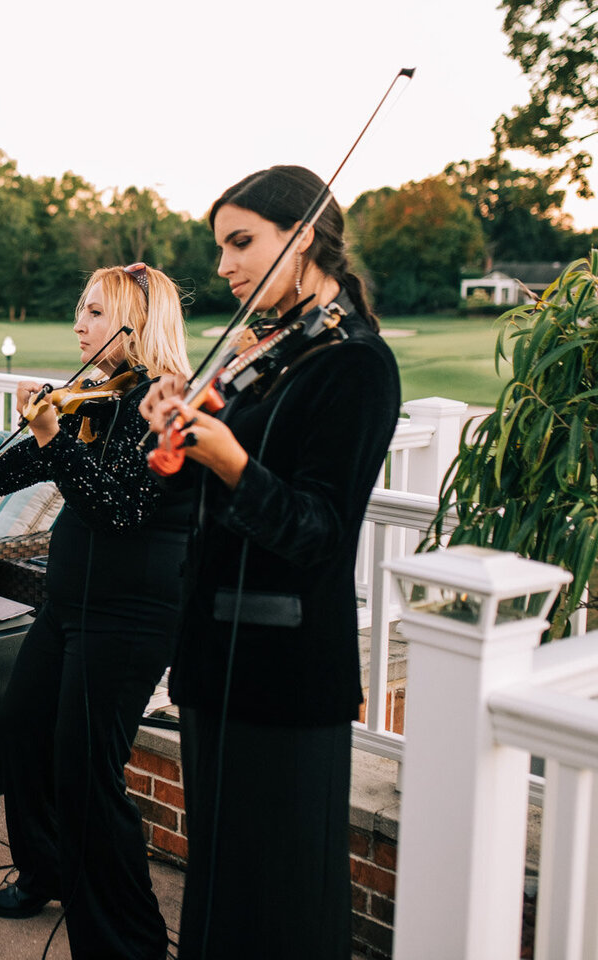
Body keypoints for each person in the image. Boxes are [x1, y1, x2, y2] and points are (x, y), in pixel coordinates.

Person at [140, 165, 401, 959]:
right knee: (223, 883)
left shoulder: (355, 365)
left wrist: (232, 463)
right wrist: (178, 432)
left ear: (307, 235)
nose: (224, 266)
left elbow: (320, 531)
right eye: (220, 246)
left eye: (242, 242)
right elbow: (210, 503)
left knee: (283, 898)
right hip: (217, 659)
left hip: (287, 676)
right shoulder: (274, 355)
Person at [0, 264, 192, 960]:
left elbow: (120, 508)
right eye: (81, 310)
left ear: (136, 323)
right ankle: (47, 869)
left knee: (88, 771)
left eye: (96, 313)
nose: (80, 324)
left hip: (129, 614)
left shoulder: (166, 405)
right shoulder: (98, 396)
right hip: (70, 602)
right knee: (21, 727)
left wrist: (52, 436)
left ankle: (132, 938)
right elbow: (38, 464)